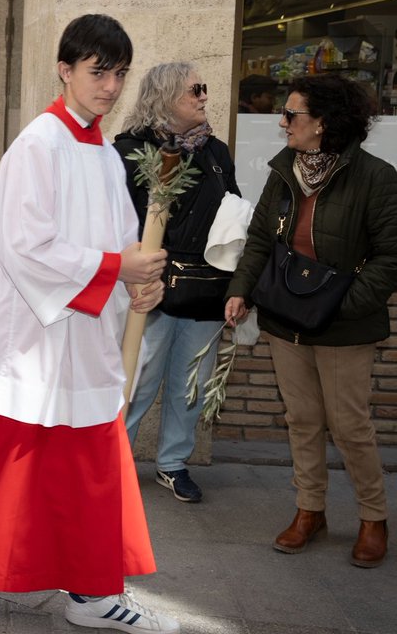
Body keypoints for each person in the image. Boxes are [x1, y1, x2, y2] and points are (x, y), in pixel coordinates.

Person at [0, 14, 177, 633]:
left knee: (87, 464)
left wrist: (137, 283)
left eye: (118, 74)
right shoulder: (37, 144)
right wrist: (118, 266)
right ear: (65, 70)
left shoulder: (106, 154)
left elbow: (118, 241)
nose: (110, 87)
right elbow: (26, 247)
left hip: (82, 333)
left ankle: (91, 592)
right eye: (97, 72)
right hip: (29, 338)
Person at [225, 74, 397, 568]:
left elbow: (390, 256)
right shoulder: (284, 171)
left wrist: (343, 304)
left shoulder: (375, 176)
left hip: (344, 325)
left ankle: (372, 518)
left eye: (291, 114)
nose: (283, 123)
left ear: (322, 123)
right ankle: (310, 511)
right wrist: (240, 291)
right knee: (301, 420)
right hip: (286, 319)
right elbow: (261, 240)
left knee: (349, 426)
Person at [113, 62, 241, 504]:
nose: (204, 96)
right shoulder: (131, 150)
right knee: (138, 378)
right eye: (195, 90)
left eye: (203, 90)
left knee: (193, 383)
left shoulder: (216, 153)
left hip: (206, 288)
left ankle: (172, 463)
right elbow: (121, 223)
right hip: (153, 287)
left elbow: (232, 213)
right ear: (165, 97)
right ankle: (114, 462)